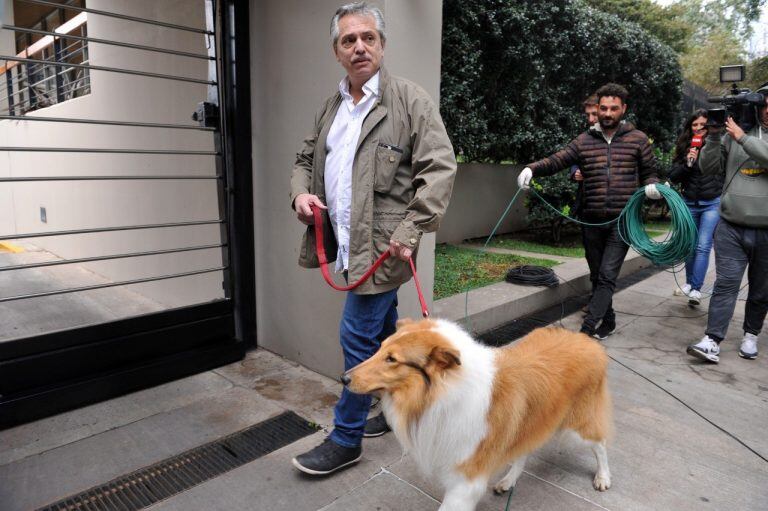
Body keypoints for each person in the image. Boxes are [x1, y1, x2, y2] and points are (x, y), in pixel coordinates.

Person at [289, 2, 456, 475]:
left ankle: (346, 438)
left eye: (368, 37)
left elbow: (439, 168)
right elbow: (304, 159)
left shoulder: (409, 100)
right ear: (337, 51)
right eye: (349, 40)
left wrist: (409, 229)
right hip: (344, 242)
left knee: (357, 338)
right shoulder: (332, 107)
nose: (359, 46)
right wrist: (301, 194)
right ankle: (383, 410)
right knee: (384, 332)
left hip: (385, 247)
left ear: (382, 45)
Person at [518, 83, 659, 339]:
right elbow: (557, 160)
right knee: (597, 275)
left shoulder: (637, 139)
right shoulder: (584, 141)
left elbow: (651, 173)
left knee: (607, 276)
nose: (607, 113)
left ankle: (585, 332)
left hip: (623, 220)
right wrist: (532, 169)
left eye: (613, 109)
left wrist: (652, 186)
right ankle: (609, 320)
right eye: (603, 108)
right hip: (591, 220)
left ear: (623, 109)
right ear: (598, 109)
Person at [686, 88, 768, 363]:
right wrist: (712, 137)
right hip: (731, 226)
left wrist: (741, 138)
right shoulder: (734, 134)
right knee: (726, 284)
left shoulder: (740, 135)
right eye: (765, 105)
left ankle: (751, 334)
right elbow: (708, 168)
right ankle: (713, 339)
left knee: (761, 289)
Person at [667, 110, 723, 306]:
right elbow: (673, 175)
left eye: (703, 124)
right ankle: (690, 284)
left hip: (712, 203)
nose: (699, 128)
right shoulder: (685, 147)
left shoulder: (719, 145)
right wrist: (688, 163)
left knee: (703, 245)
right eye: (694, 125)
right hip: (689, 203)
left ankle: (696, 289)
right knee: (689, 246)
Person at [571, 94, 598, 313]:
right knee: (593, 258)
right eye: (587, 114)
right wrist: (575, 174)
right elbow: (572, 162)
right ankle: (597, 300)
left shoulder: (625, 140)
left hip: (614, 213)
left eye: (594, 114)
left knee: (607, 265)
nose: (590, 119)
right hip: (588, 209)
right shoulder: (584, 139)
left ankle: (599, 306)